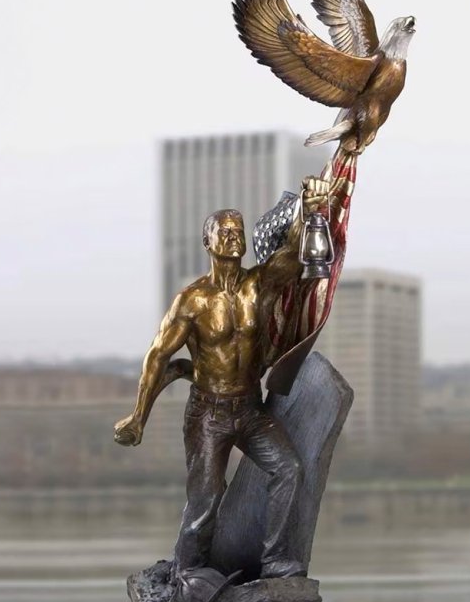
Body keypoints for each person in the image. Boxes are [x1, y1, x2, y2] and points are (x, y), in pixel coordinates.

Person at [114, 178, 332, 579]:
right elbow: (159, 356)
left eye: (239, 232)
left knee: (289, 470)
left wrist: (312, 211)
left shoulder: (259, 285)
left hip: (249, 409)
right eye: (224, 232)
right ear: (207, 241)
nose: (234, 238)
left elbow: (292, 255)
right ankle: (189, 572)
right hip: (208, 414)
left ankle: (276, 560)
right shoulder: (192, 301)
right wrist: (137, 417)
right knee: (206, 498)